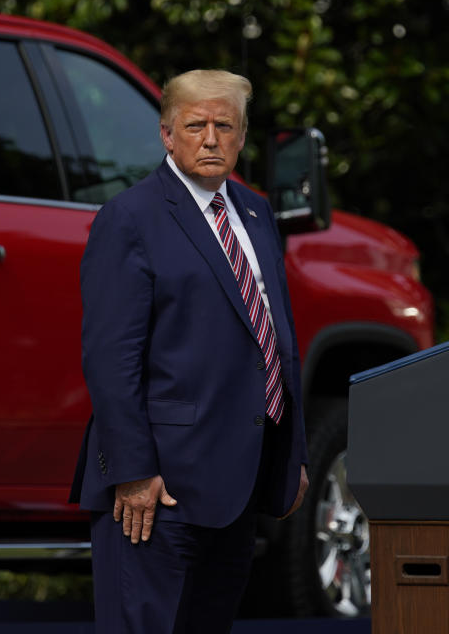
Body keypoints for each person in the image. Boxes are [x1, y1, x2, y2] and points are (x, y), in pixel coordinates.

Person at [69, 69, 309, 634]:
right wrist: (131, 472)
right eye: (195, 125)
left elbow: (277, 339)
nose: (210, 138)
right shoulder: (129, 218)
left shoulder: (255, 214)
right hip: (156, 492)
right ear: (166, 134)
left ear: (242, 135)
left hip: (237, 485)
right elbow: (110, 358)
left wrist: (291, 454)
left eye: (223, 125)